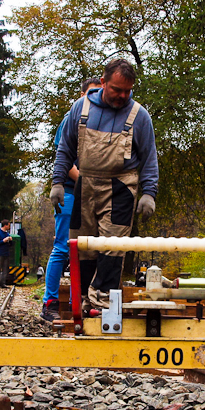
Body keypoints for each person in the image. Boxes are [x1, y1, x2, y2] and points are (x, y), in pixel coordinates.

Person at [49, 59, 158, 311]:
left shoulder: (139, 115)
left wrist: (149, 193)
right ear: (103, 82)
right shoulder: (81, 108)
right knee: (83, 246)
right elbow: (65, 148)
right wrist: (57, 182)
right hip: (85, 185)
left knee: (112, 247)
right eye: (116, 89)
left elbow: (149, 157)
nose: (122, 96)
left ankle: (105, 303)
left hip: (121, 187)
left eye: (127, 91)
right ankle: (83, 303)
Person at [41, 78, 102, 322]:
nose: (94, 98)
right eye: (90, 93)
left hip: (91, 195)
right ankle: (50, 303)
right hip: (70, 192)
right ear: (81, 94)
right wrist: (87, 183)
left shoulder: (102, 121)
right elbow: (64, 160)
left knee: (87, 252)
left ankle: (78, 303)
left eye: (98, 93)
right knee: (64, 248)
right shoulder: (71, 119)